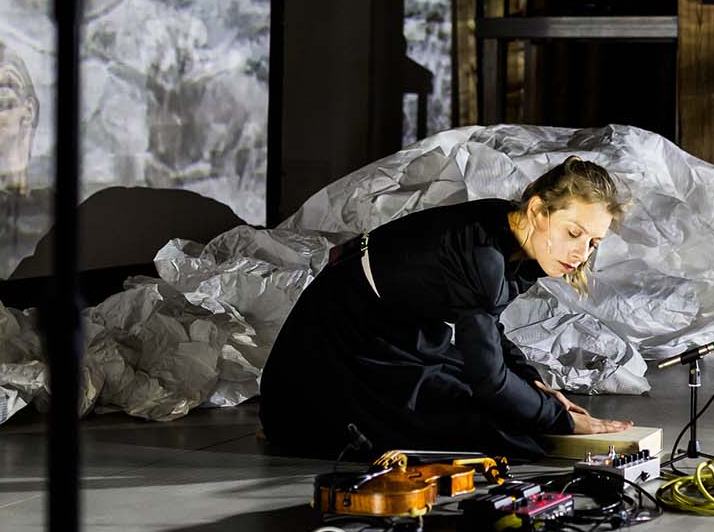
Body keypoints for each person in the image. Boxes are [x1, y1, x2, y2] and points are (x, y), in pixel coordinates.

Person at [258, 157, 633, 458]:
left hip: (401, 331)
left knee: (514, 409)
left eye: (593, 243)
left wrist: (535, 386)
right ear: (537, 210)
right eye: (573, 233)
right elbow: (489, 379)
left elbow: (491, 330)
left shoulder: (516, 232)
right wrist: (561, 421)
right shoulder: (482, 254)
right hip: (340, 343)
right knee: (498, 431)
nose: (581, 253)